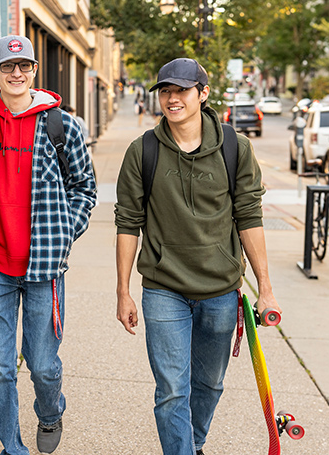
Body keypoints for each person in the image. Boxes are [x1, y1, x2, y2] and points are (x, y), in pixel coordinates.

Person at [114, 58, 281, 455]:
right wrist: (123, 291)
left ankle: (193, 443)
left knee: (209, 384)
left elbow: (250, 218)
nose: (173, 99)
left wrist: (266, 289)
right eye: (166, 91)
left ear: (203, 94)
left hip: (221, 288)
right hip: (163, 287)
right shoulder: (143, 151)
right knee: (172, 389)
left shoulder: (235, 148)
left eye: (182, 90)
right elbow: (127, 224)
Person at [0, 35, 96, 455]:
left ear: (34, 71)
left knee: (44, 366)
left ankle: (50, 413)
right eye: (8, 67)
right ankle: (12, 447)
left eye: (25, 66)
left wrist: (66, 231)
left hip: (43, 267)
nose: (17, 73)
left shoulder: (62, 125)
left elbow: (84, 188)